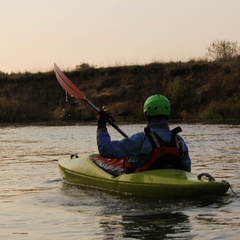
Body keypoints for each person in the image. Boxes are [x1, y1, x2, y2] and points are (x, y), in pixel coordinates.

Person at [96, 94, 191, 174]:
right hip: (172, 181)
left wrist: (101, 125)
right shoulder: (179, 141)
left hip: (143, 181)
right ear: (168, 114)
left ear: (146, 115)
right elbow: (186, 169)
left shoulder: (141, 139)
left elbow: (105, 149)